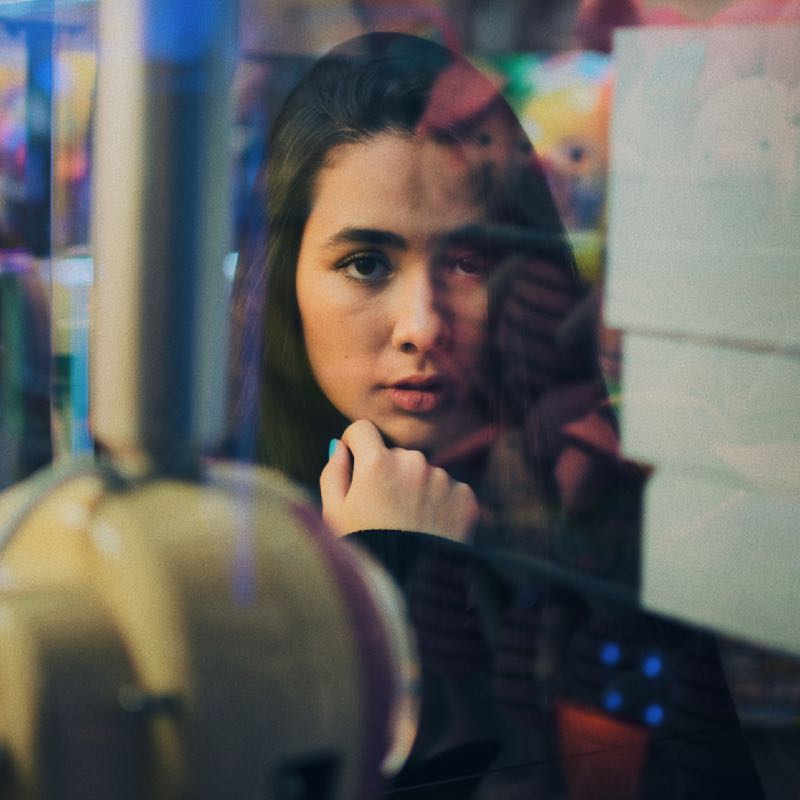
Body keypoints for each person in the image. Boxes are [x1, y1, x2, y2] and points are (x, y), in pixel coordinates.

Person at [228, 32, 764, 800]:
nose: (422, 325)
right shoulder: (219, 534)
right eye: (367, 263)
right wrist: (389, 565)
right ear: (286, 279)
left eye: (468, 262)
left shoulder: (599, 515)